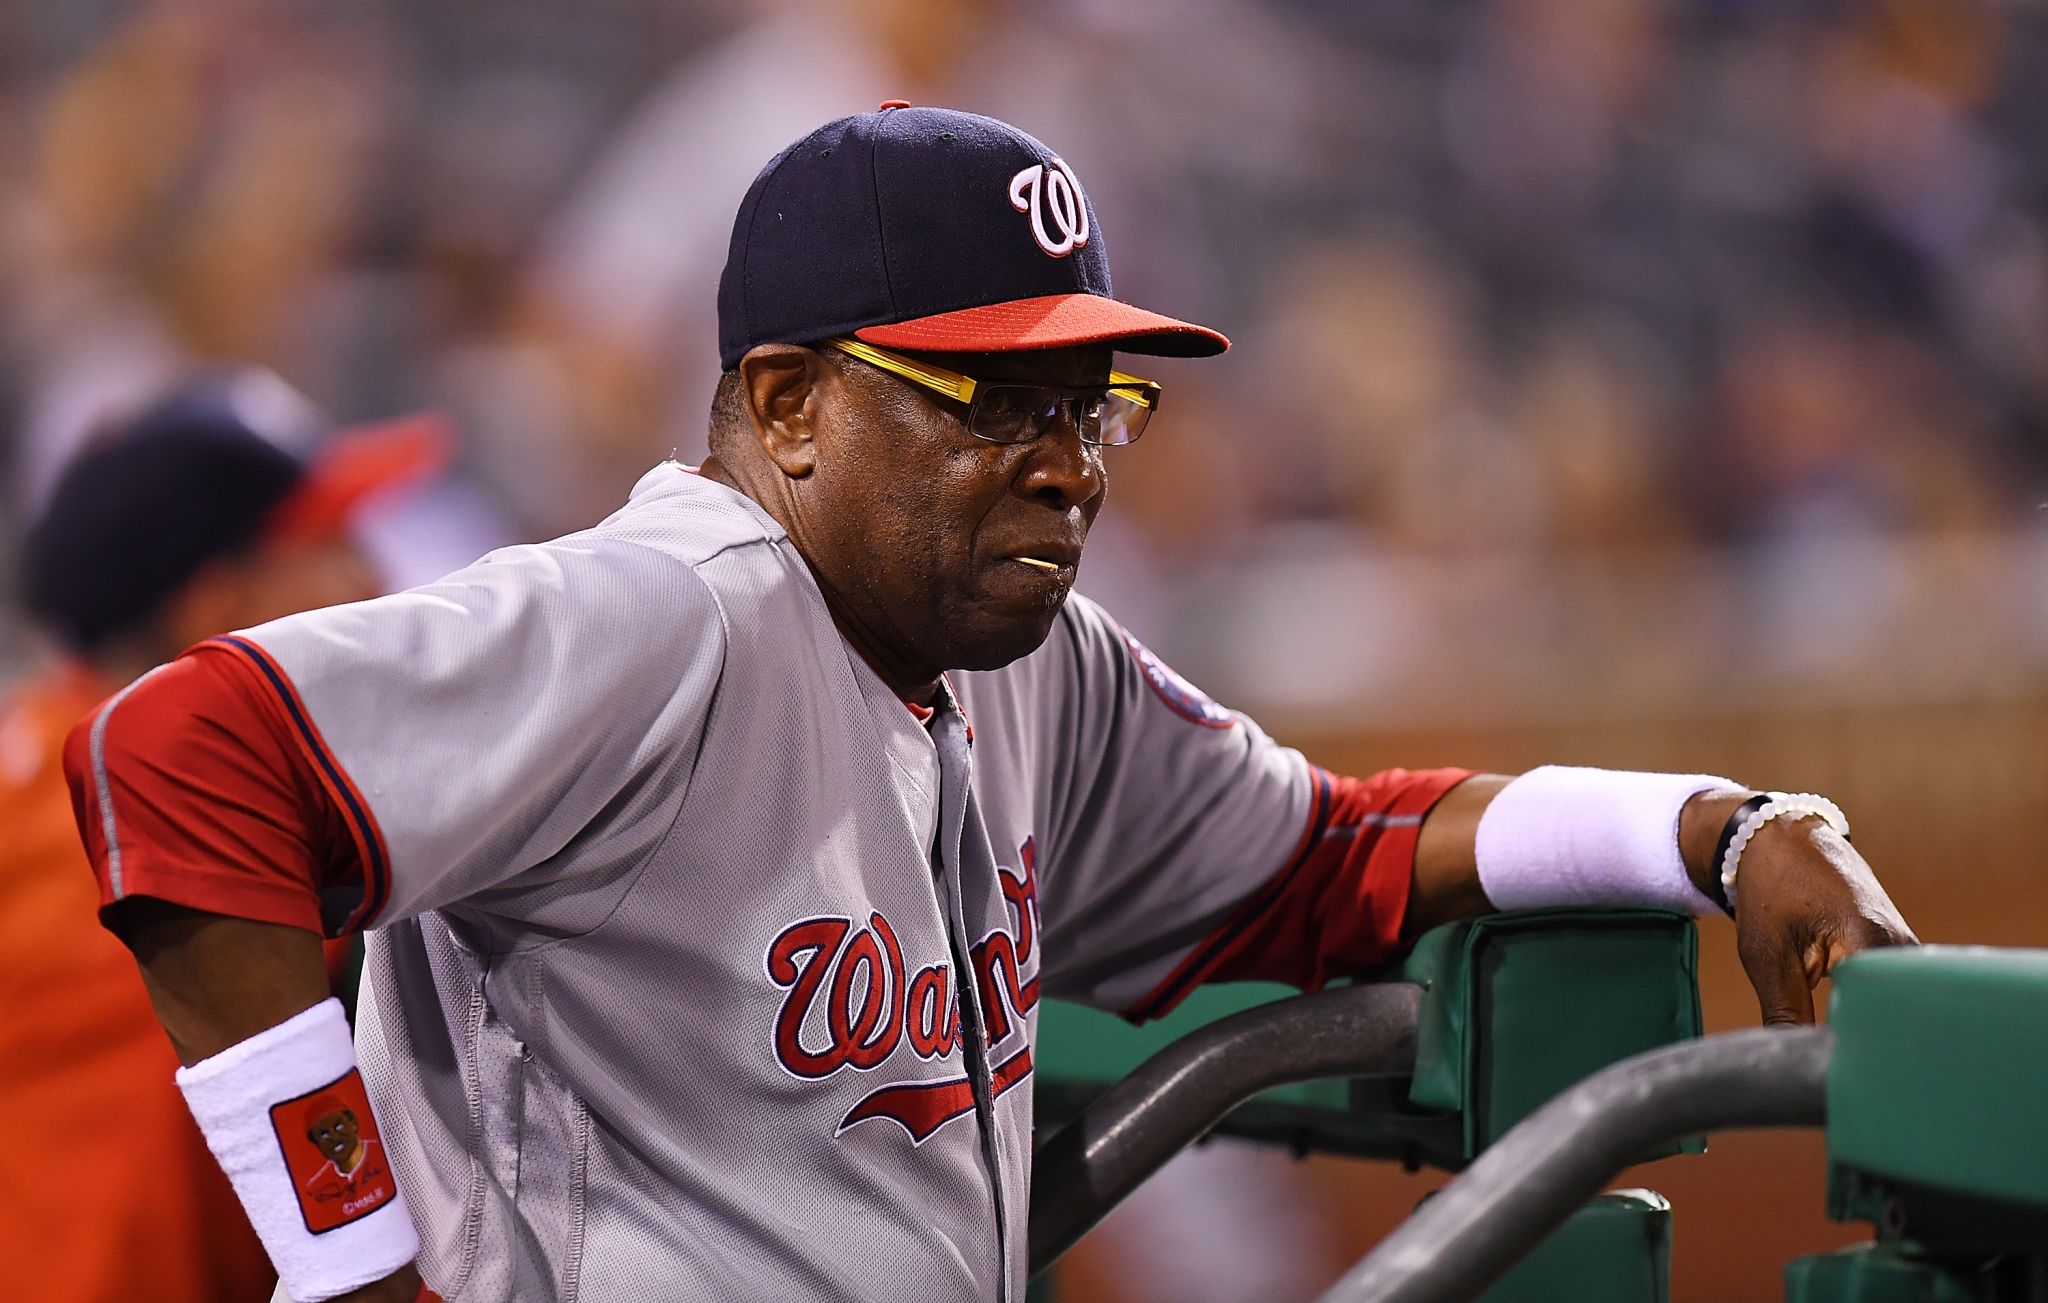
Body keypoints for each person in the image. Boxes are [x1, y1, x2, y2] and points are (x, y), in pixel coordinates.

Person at [60, 107, 1914, 1303]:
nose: (1068, 463)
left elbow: (1320, 853)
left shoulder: (1027, 660)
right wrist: (349, 1269)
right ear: (783, 408)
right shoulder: (668, 611)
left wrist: (1719, 827)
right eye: (983, 401)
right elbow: (179, 757)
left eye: (1090, 399)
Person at [0, 370, 443, 1302]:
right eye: (329, 543)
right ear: (216, 613)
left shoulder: (45, 760)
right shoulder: (147, 838)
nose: (377, 580)